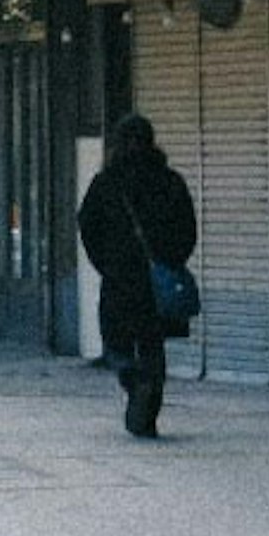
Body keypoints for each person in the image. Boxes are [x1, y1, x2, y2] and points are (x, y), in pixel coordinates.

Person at [79, 111, 200, 439]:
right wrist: (171, 261)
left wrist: (105, 262)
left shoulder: (106, 182)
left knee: (117, 343)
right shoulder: (170, 180)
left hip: (120, 278)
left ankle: (132, 379)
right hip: (158, 278)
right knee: (153, 343)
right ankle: (148, 407)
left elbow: (87, 225)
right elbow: (188, 227)